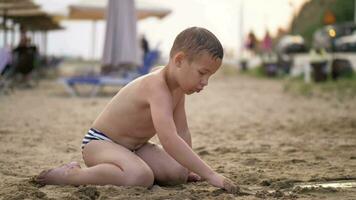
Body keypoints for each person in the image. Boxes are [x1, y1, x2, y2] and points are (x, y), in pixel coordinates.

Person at [36, 27, 238, 193]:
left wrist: (188, 169)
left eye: (209, 77)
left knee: (177, 173)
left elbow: (182, 132)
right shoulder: (156, 86)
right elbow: (168, 139)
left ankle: (127, 165)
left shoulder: (177, 90)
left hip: (136, 146)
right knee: (140, 176)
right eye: (202, 73)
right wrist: (210, 174)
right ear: (179, 61)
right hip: (101, 142)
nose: (205, 82)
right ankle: (71, 175)